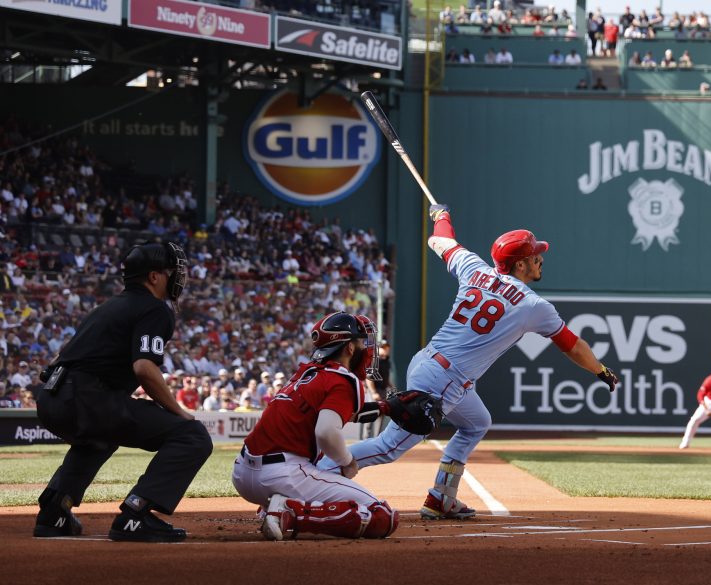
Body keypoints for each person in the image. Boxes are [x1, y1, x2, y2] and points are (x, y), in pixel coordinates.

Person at [319, 205, 619, 520]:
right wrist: (599, 370)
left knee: (477, 422)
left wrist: (442, 217)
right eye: (534, 256)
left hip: (427, 362)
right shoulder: (534, 305)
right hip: (446, 379)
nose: (540, 258)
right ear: (520, 264)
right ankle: (314, 476)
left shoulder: (473, 267)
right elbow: (572, 346)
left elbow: (440, 242)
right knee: (389, 447)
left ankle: (441, 497)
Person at [32, 242, 213, 542]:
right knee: (192, 435)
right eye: (171, 272)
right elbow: (144, 367)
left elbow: (58, 359)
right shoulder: (156, 309)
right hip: (87, 397)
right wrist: (177, 410)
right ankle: (136, 514)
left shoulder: (107, 306)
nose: (177, 278)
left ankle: (54, 512)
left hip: (52, 397)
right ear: (154, 277)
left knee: (101, 437)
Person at [233, 312, 399, 541]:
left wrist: (384, 407)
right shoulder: (342, 379)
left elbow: (330, 414)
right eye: (360, 342)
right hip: (282, 473)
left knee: (320, 469)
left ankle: (275, 504)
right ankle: (289, 512)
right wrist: (348, 462)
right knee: (381, 516)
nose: (364, 349)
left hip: (243, 472)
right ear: (349, 348)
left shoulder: (305, 373)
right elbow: (326, 432)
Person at [360, 339, 394, 439]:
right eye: (383, 347)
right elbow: (369, 378)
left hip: (383, 390)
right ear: (378, 348)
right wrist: (374, 392)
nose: (385, 350)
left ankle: (376, 439)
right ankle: (365, 440)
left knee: (381, 414)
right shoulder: (375, 360)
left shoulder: (386, 360)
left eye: (387, 348)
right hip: (375, 391)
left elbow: (385, 377)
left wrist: (391, 385)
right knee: (371, 414)